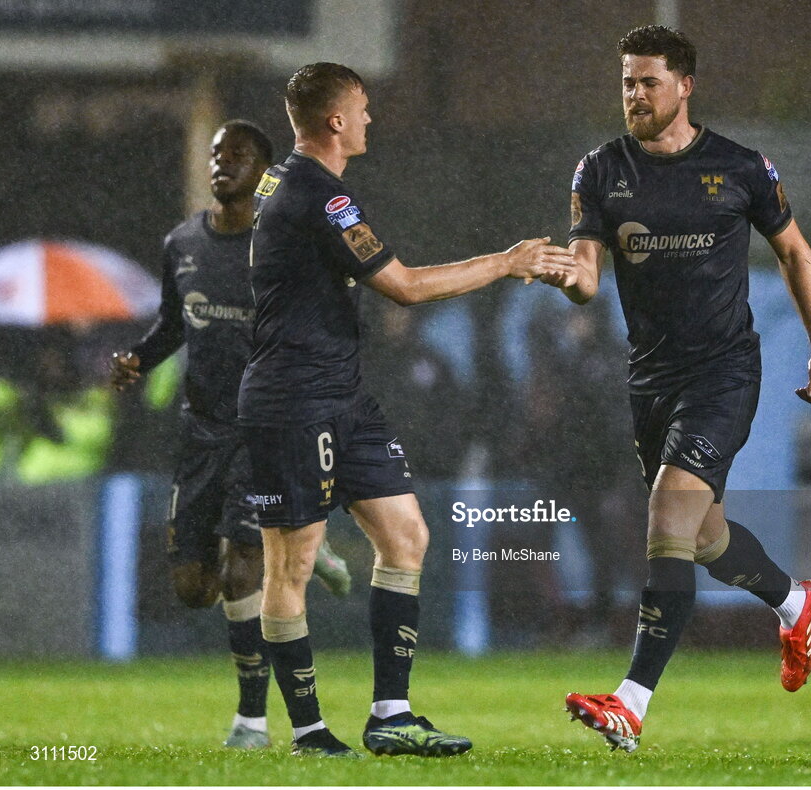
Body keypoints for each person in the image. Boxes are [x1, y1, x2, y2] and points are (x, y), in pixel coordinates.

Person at [238, 62, 574, 757]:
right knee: (290, 568)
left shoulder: (280, 182)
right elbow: (406, 287)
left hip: (343, 394)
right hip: (293, 400)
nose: (369, 119)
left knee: (406, 537)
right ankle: (307, 731)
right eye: (361, 109)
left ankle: (390, 714)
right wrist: (507, 262)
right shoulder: (322, 198)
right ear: (335, 122)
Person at [542, 26, 811, 752]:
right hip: (650, 381)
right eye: (626, 82)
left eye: (647, 81)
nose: (633, 95)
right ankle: (795, 600)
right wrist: (556, 272)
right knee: (703, 537)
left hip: (725, 372)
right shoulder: (600, 170)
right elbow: (586, 276)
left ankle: (631, 705)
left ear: (685, 87)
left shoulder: (739, 168)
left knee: (668, 517)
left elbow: (794, 251)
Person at [109, 120, 352, 750]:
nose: (222, 165)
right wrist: (138, 357)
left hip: (266, 432)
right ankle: (306, 550)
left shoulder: (284, 246)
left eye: (237, 156)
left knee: (245, 574)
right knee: (195, 589)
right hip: (201, 432)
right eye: (217, 156)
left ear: (264, 172)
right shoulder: (183, 241)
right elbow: (173, 323)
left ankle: (250, 722)